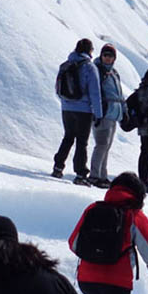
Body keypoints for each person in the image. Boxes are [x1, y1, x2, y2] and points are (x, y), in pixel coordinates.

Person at [53, 39, 103, 185]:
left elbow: (58, 88)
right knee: (82, 142)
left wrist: (66, 103)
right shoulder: (89, 67)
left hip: (67, 108)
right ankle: (80, 174)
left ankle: (58, 166)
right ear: (89, 50)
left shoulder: (66, 65)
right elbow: (95, 93)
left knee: (68, 137)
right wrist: (98, 114)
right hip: (83, 110)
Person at [88, 44, 125, 188]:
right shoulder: (97, 70)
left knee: (106, 146)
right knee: (101, 145)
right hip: (102, 113)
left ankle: (102, 175)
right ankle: (94, 175)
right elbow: (94, 93)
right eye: (105, 55)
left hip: (113, 114)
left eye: (110, 56)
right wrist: (96, 113)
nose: (107, 58)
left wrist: (124, 110)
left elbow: (119, 94)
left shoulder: (114, 73)